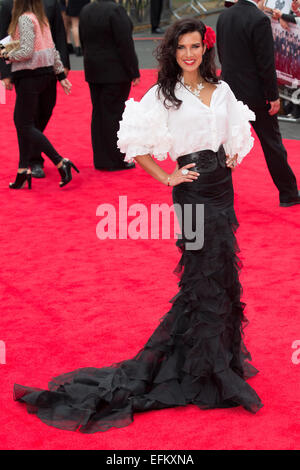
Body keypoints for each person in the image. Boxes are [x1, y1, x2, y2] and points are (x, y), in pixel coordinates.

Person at [13, 18, 263, 433]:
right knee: (201, 279)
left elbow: (236, 135)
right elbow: (132, 142)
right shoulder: (164, 95)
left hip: (223, 194)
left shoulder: (222, 90)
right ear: (172, 51)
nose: (189, 54)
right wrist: (167, 177)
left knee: (222, 275)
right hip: (193, 198)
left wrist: (230, 157)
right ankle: (208, 369)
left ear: (206, 48)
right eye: (182, 47)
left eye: (195, 46)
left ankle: (218, 360)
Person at [217, 0, 300, 207]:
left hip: (229, 90)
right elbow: (266, 62)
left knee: (224, 144)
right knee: (272, 144)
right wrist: (273, 95)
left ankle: (217, 193)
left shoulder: (224, 16)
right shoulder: (259, 19)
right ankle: (288, 193)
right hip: (256, 95)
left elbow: (221, 54)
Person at [1, 0, 79, 189]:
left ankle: (60, 162)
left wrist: (5, 54)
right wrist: (60, 75)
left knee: (24, 124)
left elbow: (27, 52)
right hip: (45, 76)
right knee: (23, 124)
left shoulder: (25, 19)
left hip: (29, 77)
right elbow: (52, 50)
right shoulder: (41, 19)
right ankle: (22, 171)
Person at [79, 0, 140, 171]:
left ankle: (101, 159)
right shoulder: (115, 10)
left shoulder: (86, 10)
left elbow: (83, 40)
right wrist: (133, 70)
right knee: (113, 116)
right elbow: (125, 43)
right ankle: (114, 159)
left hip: (93, 70)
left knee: (99, 114)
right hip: (115, 72)